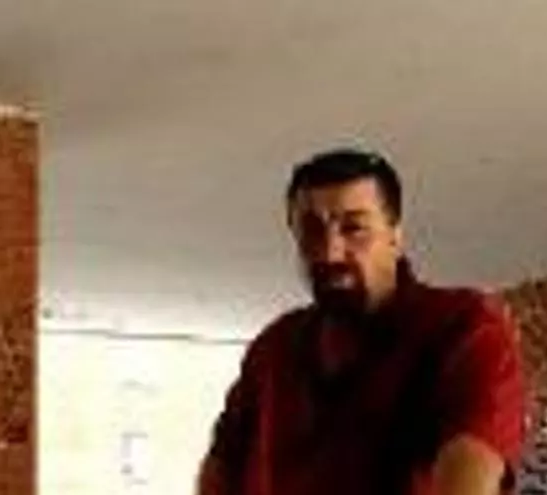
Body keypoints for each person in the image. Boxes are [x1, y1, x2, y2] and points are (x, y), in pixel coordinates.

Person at [196, 149, 525, 495]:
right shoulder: (274, 347)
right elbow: (222, 463)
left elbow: (472, 466)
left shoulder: (462, 328)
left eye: (354, 228)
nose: (329, 252)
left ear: (395, 236)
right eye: (311, 230)